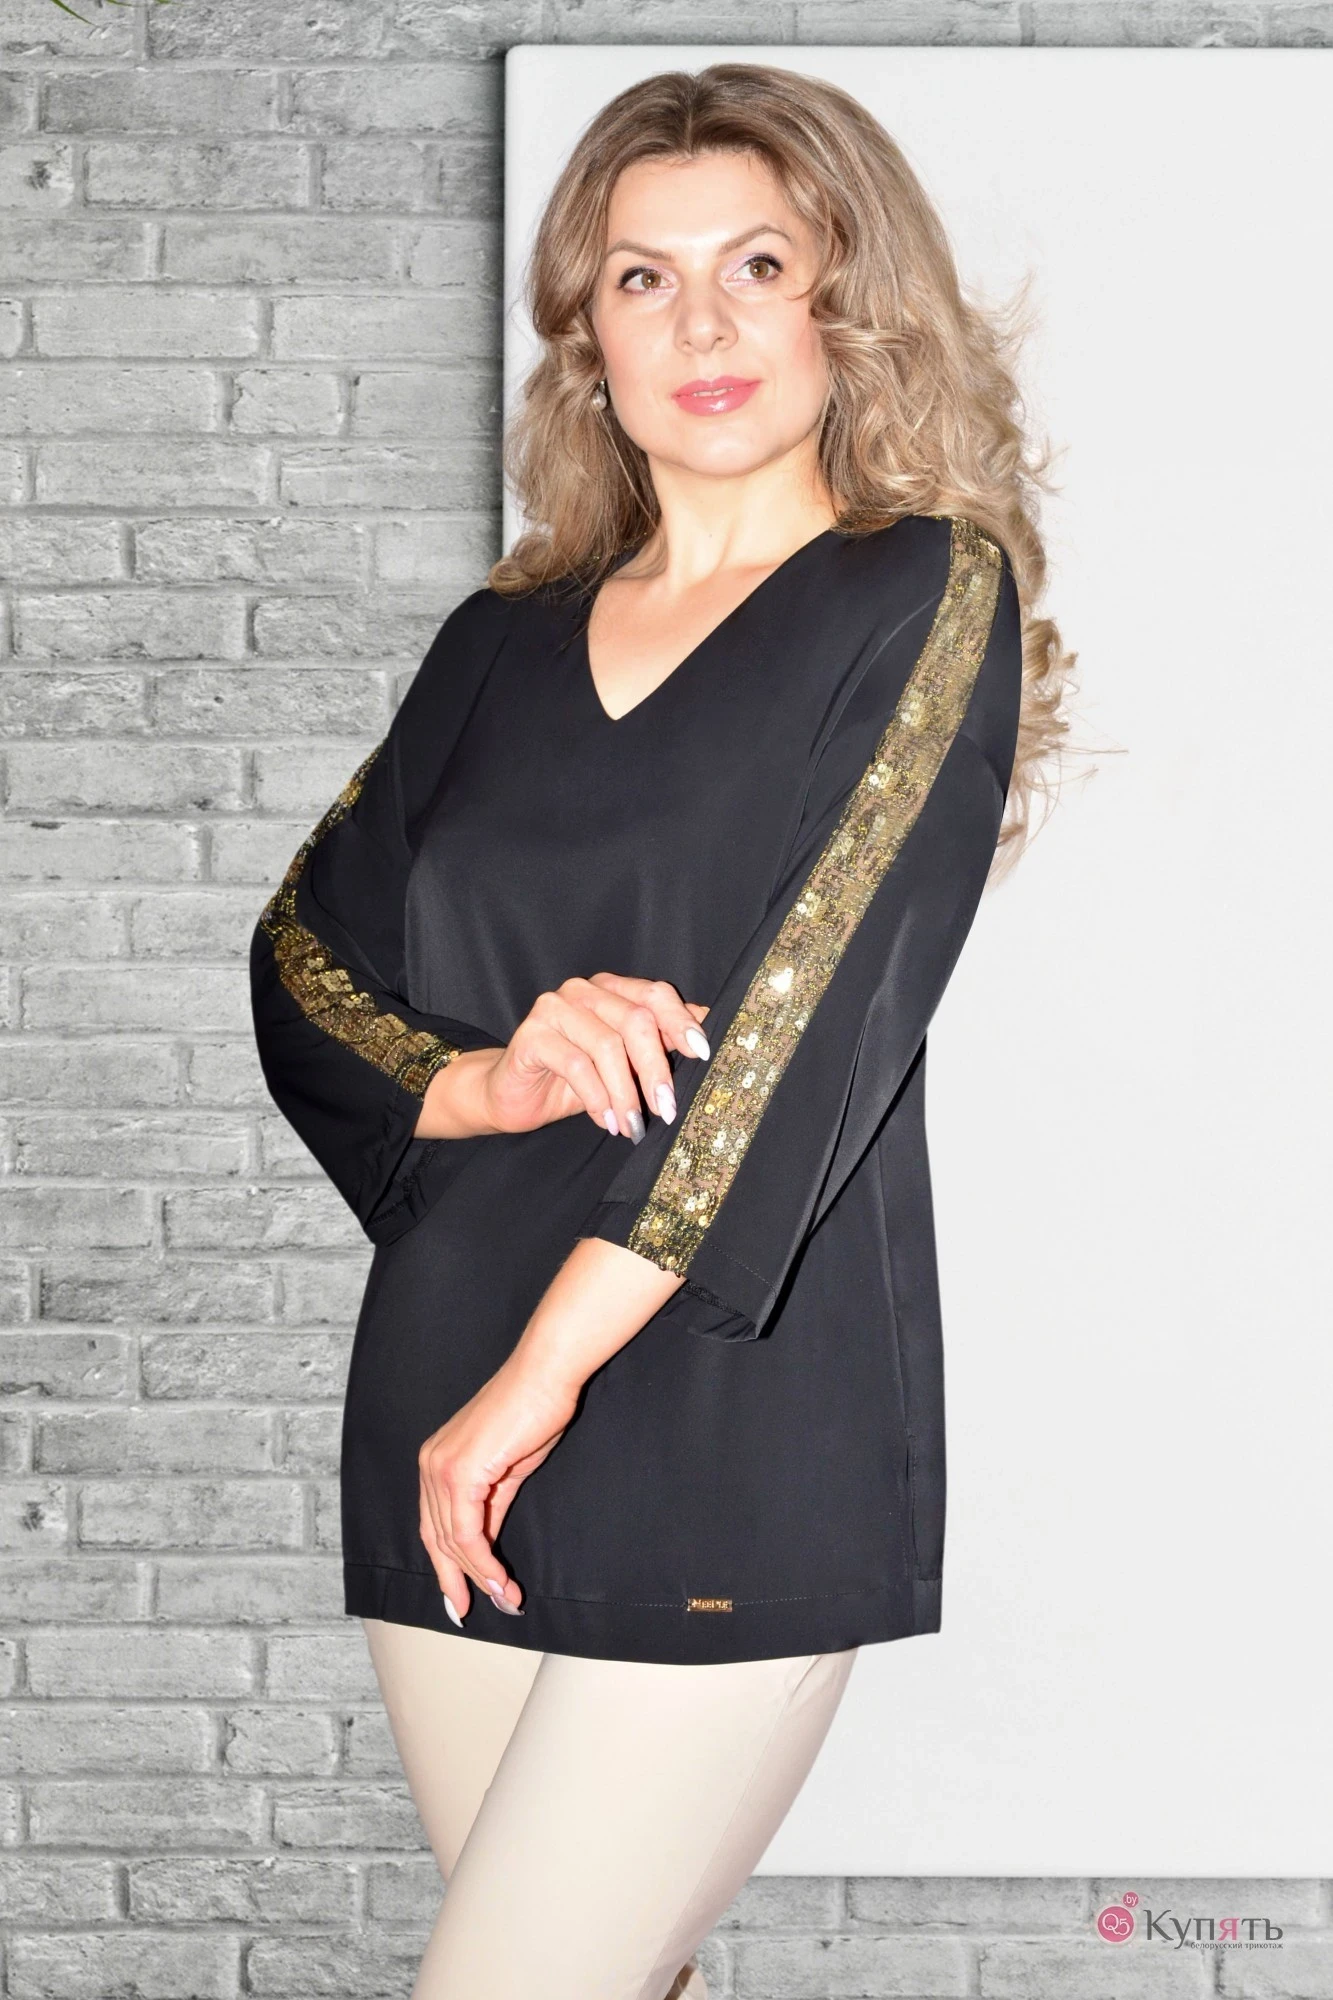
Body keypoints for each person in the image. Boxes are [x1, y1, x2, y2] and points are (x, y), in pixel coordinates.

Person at [249, 61, 1074, 2000]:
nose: (701, 322)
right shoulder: (499, 642)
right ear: (588, 335)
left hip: (721, 1416)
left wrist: (539, 1376)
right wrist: (490, 1071)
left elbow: (810, 1016)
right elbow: (302, 959)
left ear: (846, 299)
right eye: (644, 277)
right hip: (447, 1423)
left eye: (757, 264)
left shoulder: (920, 593)